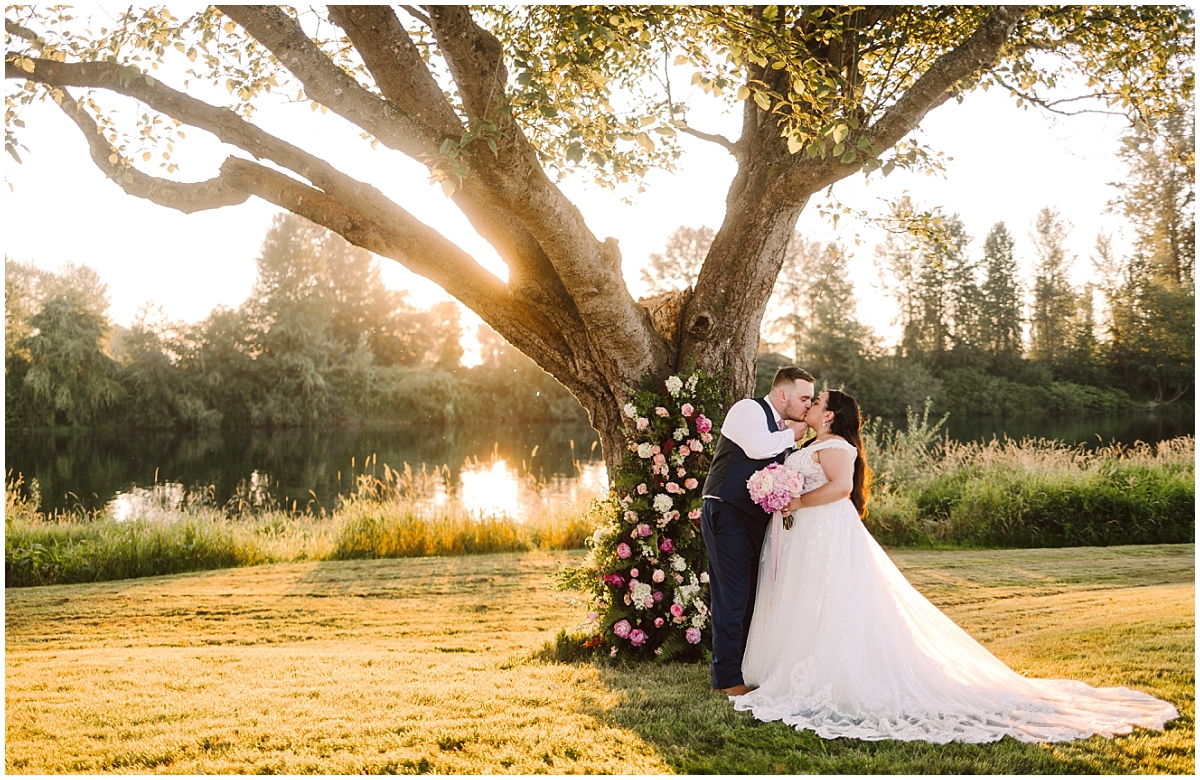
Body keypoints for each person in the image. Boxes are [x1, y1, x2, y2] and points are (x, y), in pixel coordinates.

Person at [734, 389, 1178, 743]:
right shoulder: (813, 441)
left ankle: (831, 675)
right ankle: (789, 668)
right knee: (807, 601)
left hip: (826, 532)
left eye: (817, 403)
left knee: (832, 602)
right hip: (804, 536)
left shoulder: (837, 447)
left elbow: (839, 489)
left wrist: (795, 499)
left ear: (830, 416)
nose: (810, 406)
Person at [700, 366, 813, 696]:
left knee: (752, 597)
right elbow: (757, 448)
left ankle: (745, 669)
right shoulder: (748, 409)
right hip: (728, 511)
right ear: (782, 394)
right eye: (803, 398)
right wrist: (795, 433)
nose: (807, 405)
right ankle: (727, 680)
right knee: (732, 597)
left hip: (756, 519)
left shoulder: (785, 431)